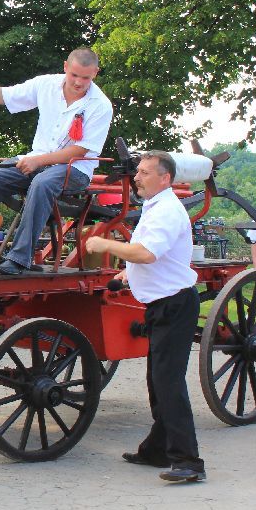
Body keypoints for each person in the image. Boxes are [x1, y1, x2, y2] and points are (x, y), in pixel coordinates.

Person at [85, 151, 205, 483]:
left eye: (144, 172)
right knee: (158, 381)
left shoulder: (166, 210)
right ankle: (156, 450)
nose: (136, 177)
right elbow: (147, 255)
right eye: (137, 172)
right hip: (163, 305)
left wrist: (105, 246)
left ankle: (189, 462)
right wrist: (126, 275)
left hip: (175, 306)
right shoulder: (154, 207)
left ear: (165, 178)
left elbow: (147, 253)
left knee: (168, 382)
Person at [0, 48, 113, 275]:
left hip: (75, 169)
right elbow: (3, 95)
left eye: (86, 78)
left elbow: (79, 151)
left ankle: (20, 259)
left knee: (42, 183)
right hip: (36, 161)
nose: (79, 82)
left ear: (95, 73)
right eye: (74, 75)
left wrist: (38, 161)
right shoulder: (46, 85)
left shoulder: (101, 105)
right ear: (65, 67)